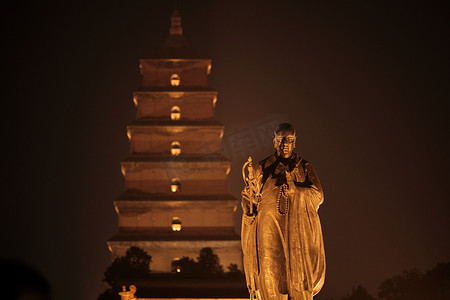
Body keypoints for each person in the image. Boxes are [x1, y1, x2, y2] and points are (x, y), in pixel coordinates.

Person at [241, 123, 325, 300]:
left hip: (296, 234)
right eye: (281, 139)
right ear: (274, 142)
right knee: (269, 276)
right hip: (268, 232)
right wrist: (248, 205)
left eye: (289, 140)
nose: (285, 143)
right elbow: (249, 197)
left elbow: (318, 196)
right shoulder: (262, 168)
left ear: (295, 142)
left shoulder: (304, 167)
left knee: (297, 280)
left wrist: (298, 191)